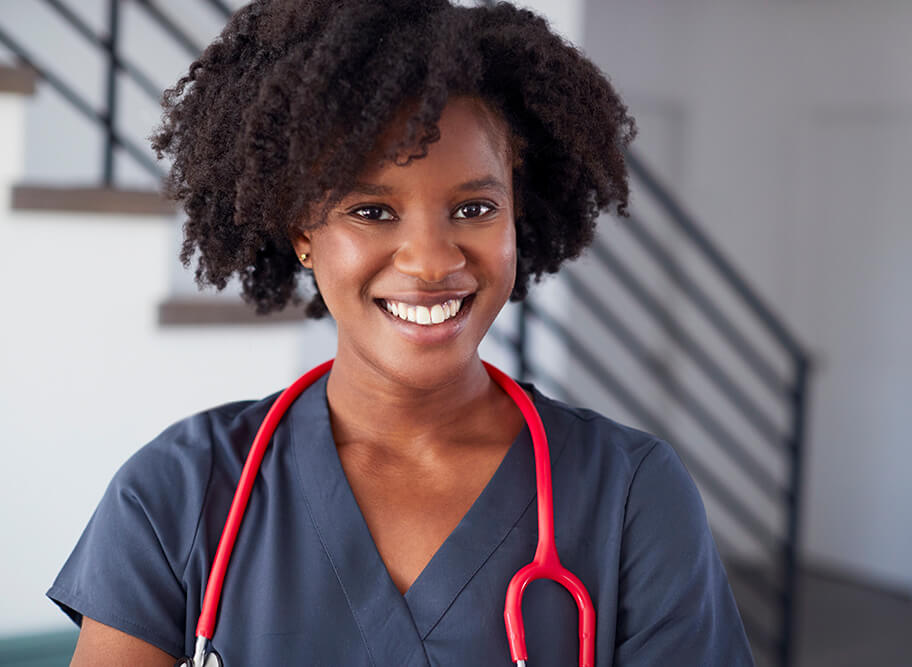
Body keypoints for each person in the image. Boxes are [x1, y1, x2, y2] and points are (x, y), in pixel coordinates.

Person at [48, 0, 754, 664]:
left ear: (519, 216)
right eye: (373, 211)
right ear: (302, 232)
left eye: (475, 208)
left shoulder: (631, 492)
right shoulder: (177, 491)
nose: (432, 261)